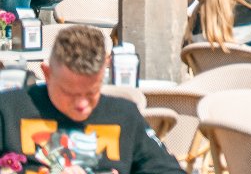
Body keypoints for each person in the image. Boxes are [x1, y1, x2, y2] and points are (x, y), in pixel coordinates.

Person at [0, 25, 185, 174]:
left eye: (91, 93)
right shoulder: (9, 110)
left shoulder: (123, 115)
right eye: (69, 93)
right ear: (47, 74)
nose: (82, 105)